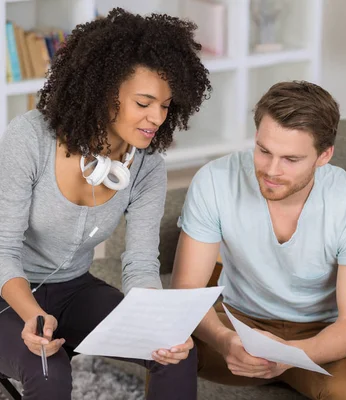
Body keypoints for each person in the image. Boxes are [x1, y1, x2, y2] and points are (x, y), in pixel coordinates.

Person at [0, 8, 212, 400]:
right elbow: (3, 249)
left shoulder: (146, 166)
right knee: (48, 370)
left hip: (74, 288)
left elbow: (141, 264)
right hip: (7, 295)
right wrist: (33, 316)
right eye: (144, 102)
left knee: (174, 354)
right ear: (103, 92)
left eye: (165, 105)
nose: (157, 118)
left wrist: (157, 326)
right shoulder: (30, 138)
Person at [171, 80, 346, 399]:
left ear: (324, 155)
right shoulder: (215, 181)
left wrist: (287, 355)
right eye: (263, 151)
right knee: (165, 345)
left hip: (321, 335)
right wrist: (223, 340)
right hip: (238, 321)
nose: (271, 170)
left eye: (291, 159)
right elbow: (187, 291)